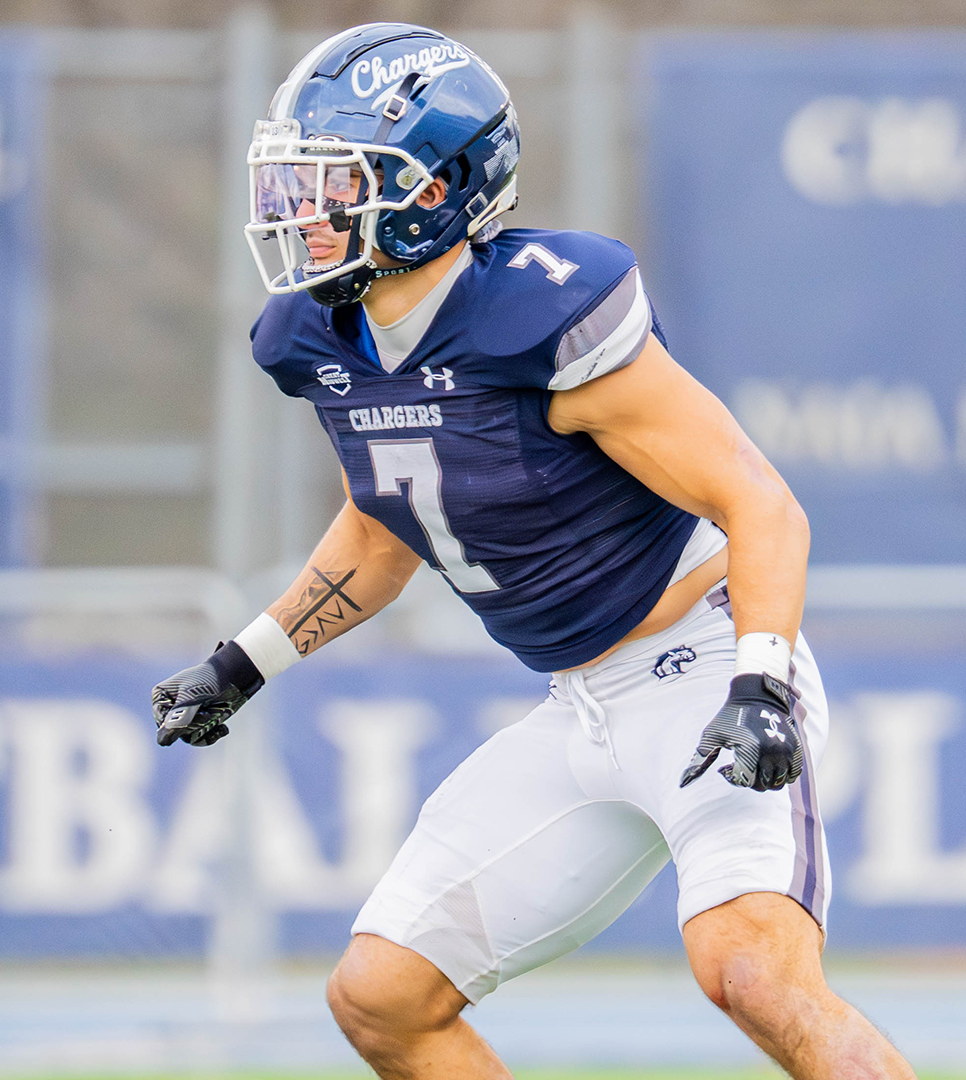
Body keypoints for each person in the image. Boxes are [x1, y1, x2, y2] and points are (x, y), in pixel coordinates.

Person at [151, 23, 918, 1080]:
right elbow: (385, 524)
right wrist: (244, 663)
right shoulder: (318, 341)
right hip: (578, 703)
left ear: (434, 195)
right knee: (380, 999)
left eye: (336, 185)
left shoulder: (537, 313)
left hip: (701, 667)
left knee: (752, 975)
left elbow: (761, 502)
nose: (303, 215)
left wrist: (763, 686)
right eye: (296, 183)